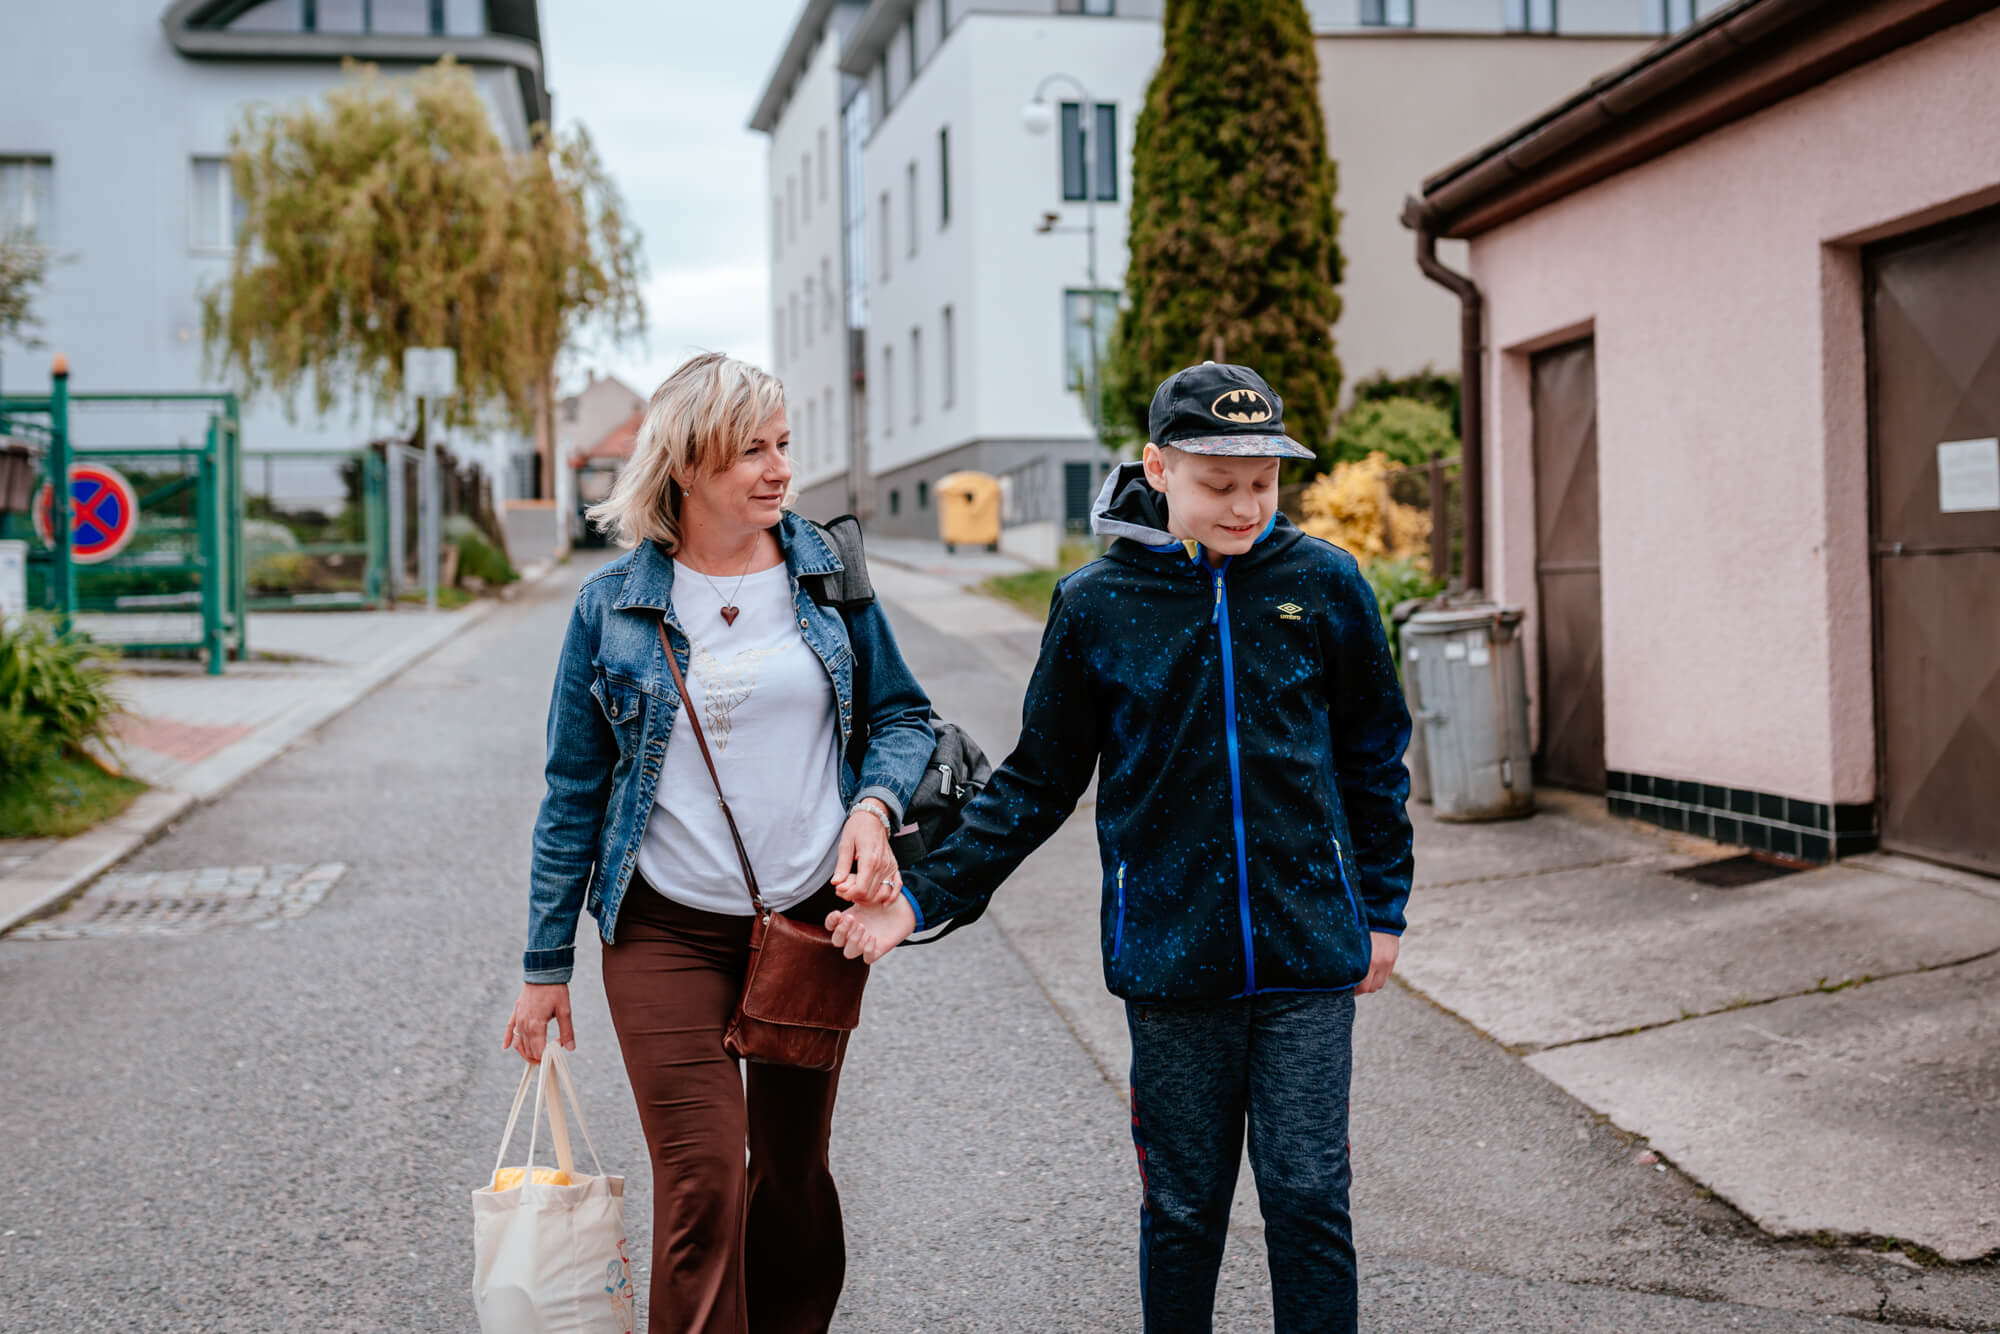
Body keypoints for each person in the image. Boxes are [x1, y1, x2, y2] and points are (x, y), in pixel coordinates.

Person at [828, 361, 1414, 1333]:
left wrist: (1382, 907)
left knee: (1309, 1201)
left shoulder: (1323, 584)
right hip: (1169, 958)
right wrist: (922, 895)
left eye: (1261, 482)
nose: (1243, 505)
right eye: (1217, 483)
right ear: (1156, 465)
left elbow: (1371, 758)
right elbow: (1034, 781)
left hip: (1308, 949)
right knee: (1184, 1211)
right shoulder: (1095, 604)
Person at [504, 352, 934, 1334]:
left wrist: (869, 808)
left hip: (805, 922)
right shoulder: (609, 605)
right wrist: (544, 962)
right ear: (684, 467)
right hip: (664, 929)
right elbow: (573, 789)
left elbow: (903, 718)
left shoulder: (826, 576)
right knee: (700, 1181)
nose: (777, 468)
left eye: (782, 444)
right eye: (750, 450)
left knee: (787, 1175)